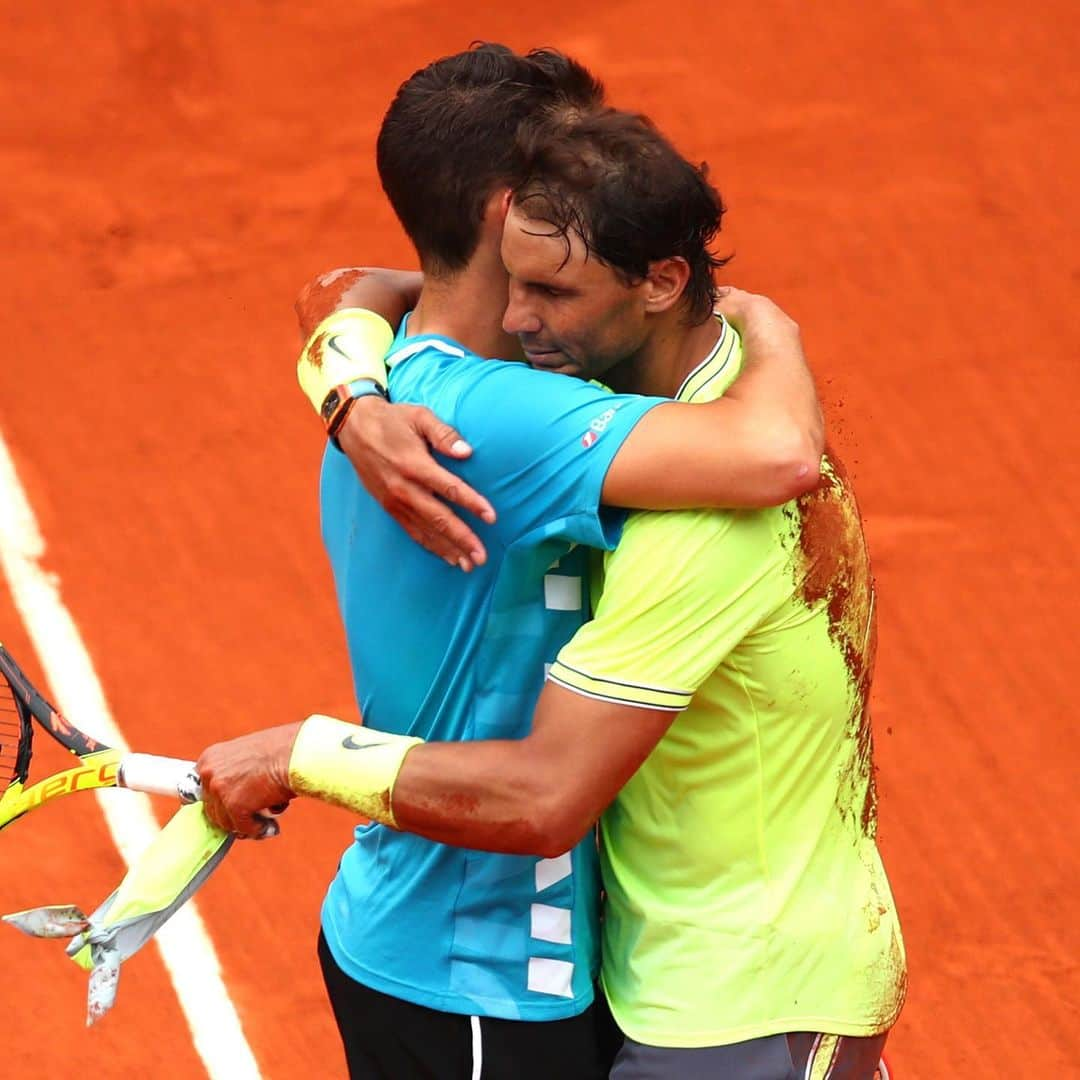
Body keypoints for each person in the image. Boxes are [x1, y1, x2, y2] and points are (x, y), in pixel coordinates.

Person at [202, 103, 904, 1079]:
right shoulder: (674, 381)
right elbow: (359, 289)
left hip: (753, 995)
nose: (518, 320)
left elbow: (546, 796)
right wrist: (352, 400)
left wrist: (303, 752)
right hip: (663, 979)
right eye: (513, 282)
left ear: (659, 282)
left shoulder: (702, 513)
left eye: (552, 293)